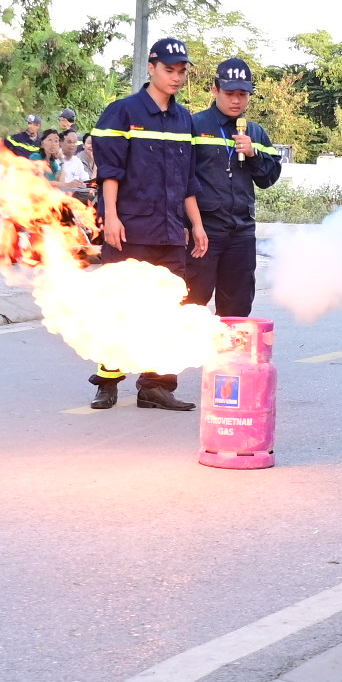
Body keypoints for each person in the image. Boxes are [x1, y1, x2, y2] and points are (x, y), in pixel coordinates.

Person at [88, 37, 210, 411]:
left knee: (169, 309)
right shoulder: (122, 112)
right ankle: (108, 382)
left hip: (171, 232)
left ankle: (155, 387)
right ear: (151, 68)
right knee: (120, 306)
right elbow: (110, 171)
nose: (176, 78)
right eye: (169, 70)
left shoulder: (183, 118)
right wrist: (110, 216)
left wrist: (198, 225)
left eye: (181, 72)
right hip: (130, 229)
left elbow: (188, 180)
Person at [187, 57, 284, 318]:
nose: (236, 101)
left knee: (237, 307)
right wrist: (188, 226)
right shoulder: (194, 125)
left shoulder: (256, 132)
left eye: (243, 94)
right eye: (230, 93)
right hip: (204, 230)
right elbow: (180, 179)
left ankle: (230, 358)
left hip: (241, 230)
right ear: (215, 89)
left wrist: (254, 154)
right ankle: (179, 356)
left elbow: (269, 178)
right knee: (192, 300)